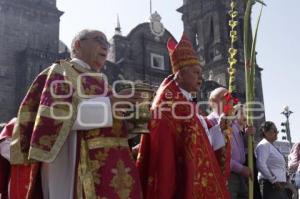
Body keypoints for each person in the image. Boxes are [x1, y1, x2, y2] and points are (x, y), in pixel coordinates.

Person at [7, 29, 142, 199]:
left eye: (106, 43)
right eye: (98, 40)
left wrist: (130, 124)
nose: (104, 46)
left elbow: (111, 127)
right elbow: (55, 118)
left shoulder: (104, 84)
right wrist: (110, 104)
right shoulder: (61, 72)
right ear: (78, 45)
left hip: (114, 168)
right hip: (76, 165)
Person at [136, 34, 229, 199]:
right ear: (179, 75)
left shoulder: (189, 104)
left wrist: (218, 130)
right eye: (196, 72)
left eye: (201, 73)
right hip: (177, 177)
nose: (201, 77)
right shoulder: (166, 104)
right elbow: (164, 153)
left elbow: (202, 142)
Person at [255, 121, 288, 199]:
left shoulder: (271, 146)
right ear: (265, 132)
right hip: (271, 186)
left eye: (277, 131)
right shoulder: (263, 145)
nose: (277, 133)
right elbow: (261, 164)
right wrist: (274, 181)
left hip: (279, 187)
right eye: (274, 131)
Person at [228, 104, 254, 199]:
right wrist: (241, 168)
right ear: (234, 114)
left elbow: (245, 149)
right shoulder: (230, 127)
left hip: (240, 173)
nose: (246, 116)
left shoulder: (239, 131)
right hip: (232, 172)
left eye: (247, 114)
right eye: (243, 113)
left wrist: (247, 135)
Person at [207, 87, 232, 182]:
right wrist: (219, 128)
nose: (228, 101)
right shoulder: (207, 122)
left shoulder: (230, 123)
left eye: (230, 98)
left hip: (227, 177)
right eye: (224, 98)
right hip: (212, 177)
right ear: (211, 102)